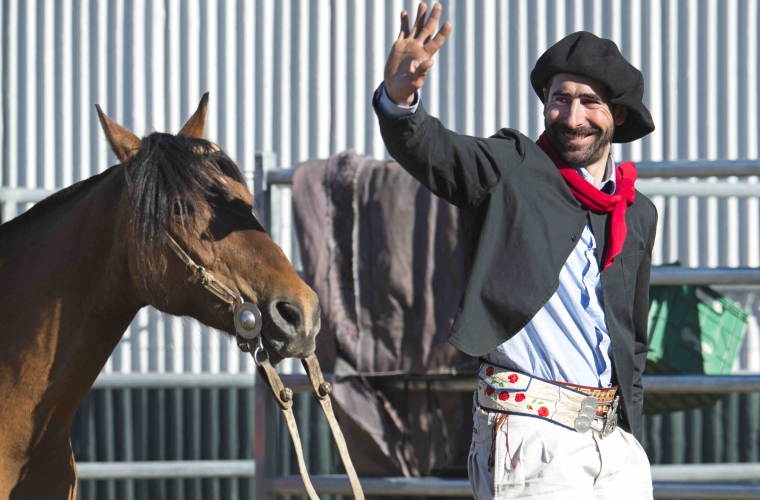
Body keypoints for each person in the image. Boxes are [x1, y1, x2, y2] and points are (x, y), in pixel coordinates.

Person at [373, 3, 657, 499]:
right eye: (559, 99)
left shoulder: (636, 212)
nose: (572, 117)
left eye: (590, 102)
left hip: (615, 449)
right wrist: (401, 99)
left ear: (618, 116)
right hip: (532, 439)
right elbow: (433, 150)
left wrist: (629, 434)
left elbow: (632, 337)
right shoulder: (511, 166)